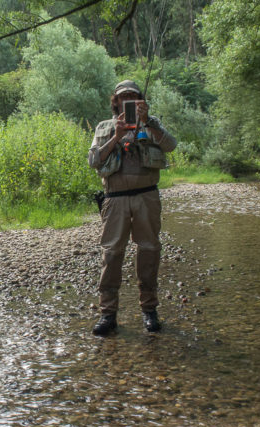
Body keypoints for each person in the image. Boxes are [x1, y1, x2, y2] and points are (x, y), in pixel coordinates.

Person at [87, 80, 177, 336]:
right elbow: (93, 160)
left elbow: (171, 145)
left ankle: (149, 310)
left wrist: (147, 122)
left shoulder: (152, 124)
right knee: (111, 255)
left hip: (146, 196)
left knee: (149, 250)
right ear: (114, 101)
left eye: (133, 96)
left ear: (141, 100)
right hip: (115, 199)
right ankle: (108, 314)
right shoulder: (105, 127)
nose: (127, 100)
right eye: (122, 96)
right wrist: (115, 137)